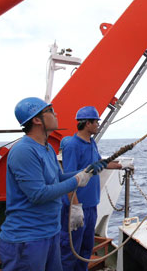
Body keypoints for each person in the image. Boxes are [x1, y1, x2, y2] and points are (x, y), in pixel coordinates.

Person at [0, 97, 107, 271]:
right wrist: (77, 181)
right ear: (36, 119)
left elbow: (58, 177)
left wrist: (86, 171)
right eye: (50, 111)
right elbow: (38, 194)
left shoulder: (46, 148)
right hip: (28, 238)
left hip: (50, 232)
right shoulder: (24, 150)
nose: (55, 114)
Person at [60, 106, 122, 271]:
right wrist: (74, 207)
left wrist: (120, 165)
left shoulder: (91, 142)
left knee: (86, 248)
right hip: (77, 207)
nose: (98, 125)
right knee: (70, 250)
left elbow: (99, 164)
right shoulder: (72, 146)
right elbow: (69, 178)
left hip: (91, 205)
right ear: (87, 123)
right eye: (96, 122)